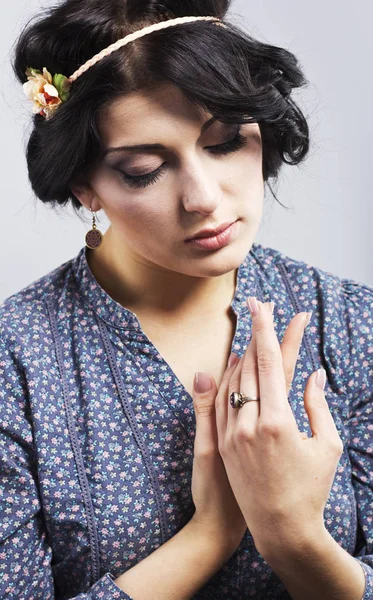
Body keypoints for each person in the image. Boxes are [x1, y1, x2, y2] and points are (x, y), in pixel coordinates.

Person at [1, 1, 372, 598]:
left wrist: (293, 537)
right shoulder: (13, 363)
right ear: (83, 186)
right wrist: (213, 531)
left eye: (225, 142)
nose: (203, 197)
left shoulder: (354, 324)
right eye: (145, 170)